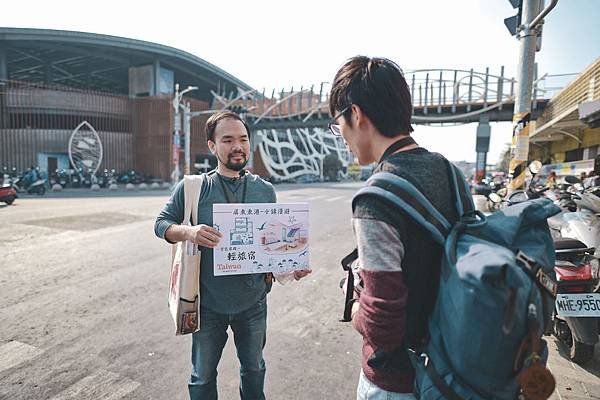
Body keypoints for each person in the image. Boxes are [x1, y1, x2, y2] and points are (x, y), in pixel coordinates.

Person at [154, 111, 311, 400]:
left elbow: (269, 247)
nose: (237, 146)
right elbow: (161, 224)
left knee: (254, 370)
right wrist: (189, 232)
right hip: (207, 303)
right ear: (212, 146)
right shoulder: (193, 188)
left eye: (243, 139)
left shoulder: (265, 191)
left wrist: (290, 265)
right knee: (202, 378)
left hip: (253, 302)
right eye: (227, 139)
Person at [329, 56, 458, 399]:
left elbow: (383, 328)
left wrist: (356, 306)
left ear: (355, 115)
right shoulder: (450, 173)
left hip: (396, 381)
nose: (340, 135)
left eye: (336, 123)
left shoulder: (376, 198)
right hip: (450, 370)